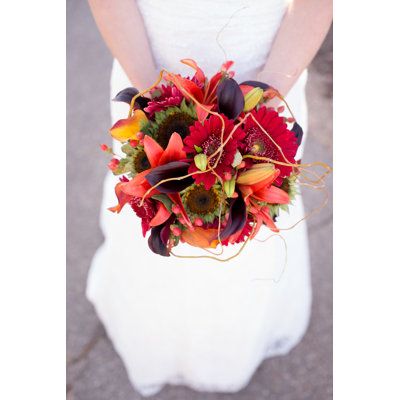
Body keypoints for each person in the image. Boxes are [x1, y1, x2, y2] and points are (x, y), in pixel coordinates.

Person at [86, 0, 332, 396]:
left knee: (251, 243)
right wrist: (151, 100)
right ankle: (156, 336)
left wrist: (267, 101)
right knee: (156, 217)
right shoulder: (149, 92)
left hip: (269, 79)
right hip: (147, 67)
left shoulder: (268, 100)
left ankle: (237, 340)